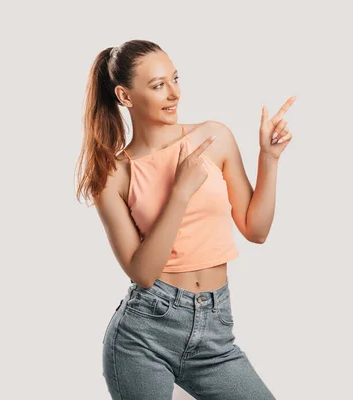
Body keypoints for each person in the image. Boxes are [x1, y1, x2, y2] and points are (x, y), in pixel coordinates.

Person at [75, 39, 295, 399]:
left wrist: (268, 159)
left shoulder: (213, 137)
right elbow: (142, 272)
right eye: (158, 85)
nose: (173, 93)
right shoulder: (113, 174)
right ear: (125, 96)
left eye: (175, 79)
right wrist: (180, 192)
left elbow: (256, 231)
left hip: (215, 329)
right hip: (144, 334)